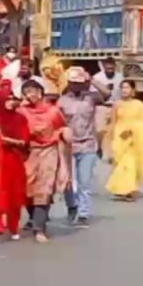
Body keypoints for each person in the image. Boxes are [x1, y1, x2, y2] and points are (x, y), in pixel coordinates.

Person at [18, 80, 68, 243]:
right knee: (27, 188)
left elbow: (62, 128)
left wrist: (66, 137)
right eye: (26, 92)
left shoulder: (53, 112)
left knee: (44, 188)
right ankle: (34, 218)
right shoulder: (22, 112)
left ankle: (39, 228)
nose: (30, 95)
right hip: (28, 152)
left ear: (41, 92)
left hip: (49, 151)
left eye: (33, 91)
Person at [0, 85, 30, 246]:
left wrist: (4, 138)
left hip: (13, 161)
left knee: (14, 196)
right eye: (7, 99)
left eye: (12, 98)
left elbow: (23, 142)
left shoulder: (20, 118)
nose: (11, 101)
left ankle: (13, 227)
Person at [57, 67, 105, 226]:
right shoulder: (62, 101)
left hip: (88, 144)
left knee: (84, 182)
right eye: (74, 83)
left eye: (80, 83)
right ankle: (72, 206)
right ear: (69, 83)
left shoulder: (90, 98)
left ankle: (84, 213)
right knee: (68, 182)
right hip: (69, 146)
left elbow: (107, 94)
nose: (77, 86)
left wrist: (92, 80)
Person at [104, 80, 143, 201]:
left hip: (134, 139)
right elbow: (113, 122)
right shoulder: (117, 104)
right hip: (120, 137)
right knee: (120, 164)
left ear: (133, 90)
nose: (124, 90)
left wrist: (133, 130)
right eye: (122, 88)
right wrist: (110, 139)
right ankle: (121, 189)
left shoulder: (139, 105)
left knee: (130, 164)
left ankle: (129, 190)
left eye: (127, 88)